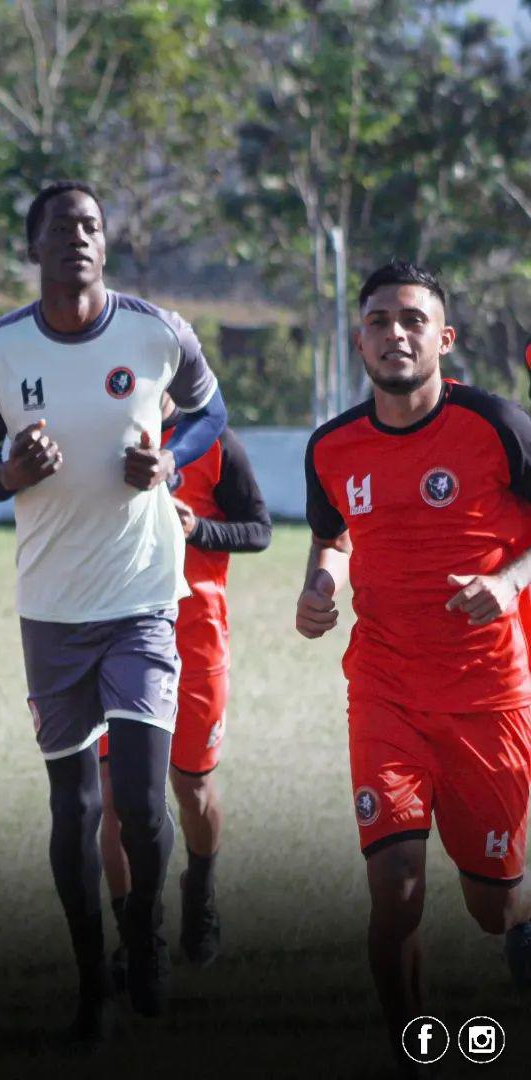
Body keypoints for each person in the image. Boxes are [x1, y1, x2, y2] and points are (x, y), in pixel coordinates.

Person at [0, 180, 227, 1037]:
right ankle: (90, 982)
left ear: (105, 245)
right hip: (50, 610)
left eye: (92, 226)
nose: (79, 237)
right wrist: (7, 476)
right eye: (61, 227)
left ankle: (144, 932)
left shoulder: (156, 331)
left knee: (143, 809)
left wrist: (171, 460)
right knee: (73, 809)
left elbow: (209, 410)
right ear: (32, 247)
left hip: (144, 595)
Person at [297, 260, 531, 1067]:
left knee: (492, 904)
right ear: (358, 336)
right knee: (395, 890)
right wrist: (318, 586)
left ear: (444, 337)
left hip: (487, 694)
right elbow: (330, 536)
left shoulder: (498, 424)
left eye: (412, 320)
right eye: (379, 321)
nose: (395, 334)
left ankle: (518, 928)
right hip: (385, 689)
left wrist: (506, 583)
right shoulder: (331, 446)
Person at [99, 409, 271, 976]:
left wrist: (197, 528)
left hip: (193, 641)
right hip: (110, 634)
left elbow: (259, 529)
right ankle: (135, 935)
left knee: (192, 787)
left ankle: (200, 885)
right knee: (115, 796)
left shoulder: (214, 440)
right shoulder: (96, 427)